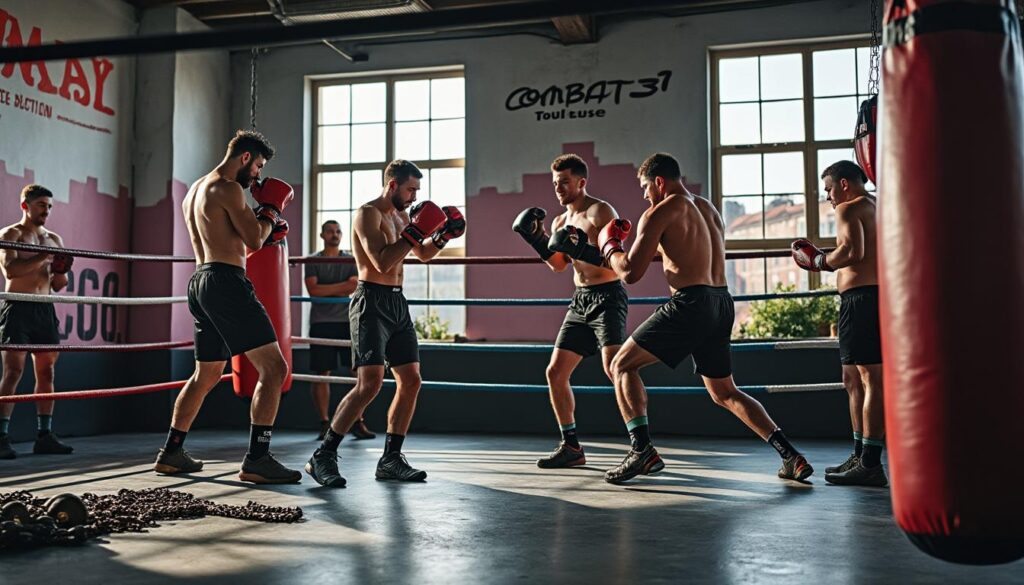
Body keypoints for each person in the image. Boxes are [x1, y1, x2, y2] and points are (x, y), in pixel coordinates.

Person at [601, 153, 813, 484]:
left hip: (691, 303)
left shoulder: (660, 211)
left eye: (645, 187)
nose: (644, 195)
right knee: (725, 392)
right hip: (721, 301)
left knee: (621, 365)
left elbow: (629, 273)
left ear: (659, 182)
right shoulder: (708, 209)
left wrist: (609, 246)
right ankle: (791, 456)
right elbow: (683, 251)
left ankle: (641, 450)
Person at [305, 159, 464, 488]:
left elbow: (421, 255)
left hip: (396, 301)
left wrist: (443, 236)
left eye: (416, 191)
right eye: (410, 190)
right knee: (370, 384)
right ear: (392, 185)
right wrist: (418, 231)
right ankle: (323, 455)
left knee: (412, 379)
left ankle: (391, 458)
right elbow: (381, 260)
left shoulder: (403, 216)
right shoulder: (368, 214)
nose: (413, 196)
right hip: (370, 302)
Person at [153, 129, 300, 484]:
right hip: (226, 283)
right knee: (274, 370)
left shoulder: (195, 190)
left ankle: (171, 452)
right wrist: (270, 211)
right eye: (258, 166)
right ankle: (258, 459)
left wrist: (264, 224)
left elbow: (240, 243)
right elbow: (254, 239)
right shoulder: (229, 188)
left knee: (206, 374)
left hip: (201, 281)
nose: (258, 176)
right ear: (245, 157)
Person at [512, 154, 627, 468]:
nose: (558, 188)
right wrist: (535, 238)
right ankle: (572, 446)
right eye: (554, 183)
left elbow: (615, 262)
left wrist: (581, 248)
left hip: (608, 296)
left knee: (616, 370)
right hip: (580, 300)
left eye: (564, 181)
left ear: (581, 182)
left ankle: (641, 445)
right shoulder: (560, 222)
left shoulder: (600, 211)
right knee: (555, 373)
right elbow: (558, 265)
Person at [791, 160, 885, 487]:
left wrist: (819, 261)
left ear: (844, 184)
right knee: (852, 378)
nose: (829, 198)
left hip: (862, 299)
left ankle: (871, 462)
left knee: (870, 378)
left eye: (829, 189)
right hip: (869, 298)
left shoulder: (849, 208)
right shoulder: (876, 205)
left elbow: (852, 251)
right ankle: (861, 455)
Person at [0, 184, 75, 459]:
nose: (47, 211)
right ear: (26, 205)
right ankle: (1, 436)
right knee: (13, 372)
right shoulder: (10, 235)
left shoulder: (55, 239)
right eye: (42, 205)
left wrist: (60, 270)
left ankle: (45, 435)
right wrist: (45, 258)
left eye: (50, 206)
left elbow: (59, 284)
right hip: (18, 307)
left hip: (44, 309)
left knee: (47, 373)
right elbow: (11, 269)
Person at [304, 219, 376, 441]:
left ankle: (356, 421)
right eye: (330, 231)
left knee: (357, 374)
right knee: (322, 375)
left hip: (347, 321)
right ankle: (325, 423)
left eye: (338, 231)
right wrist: (340, 287)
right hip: (321, 323)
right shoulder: (312, 260)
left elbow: (354, 285)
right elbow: (313, 290)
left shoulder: (349, 258)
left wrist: (328, 289)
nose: (335, 234)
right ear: (322, 235)